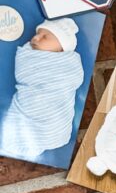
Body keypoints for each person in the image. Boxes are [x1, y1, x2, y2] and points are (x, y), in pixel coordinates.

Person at [0, 17, 84, 159]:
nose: (35, 38)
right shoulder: (30, 57)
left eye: (45, 36)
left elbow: (71, 80)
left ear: (62, 47)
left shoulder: (68, 64)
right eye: (36, 34)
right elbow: (25, 74)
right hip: (29, 103)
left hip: (54, 115)